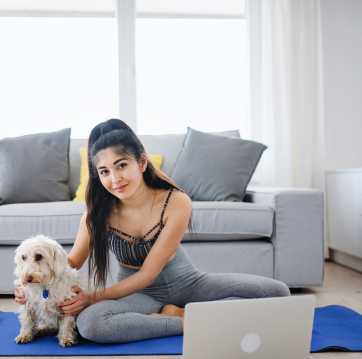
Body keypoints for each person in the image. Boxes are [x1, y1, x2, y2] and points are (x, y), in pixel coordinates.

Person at [15, 118, 290, 343]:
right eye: (104, 171)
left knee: (277, 293)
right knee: (90, 325)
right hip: (137, 295)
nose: (115, 179)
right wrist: (33, 280)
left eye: (122, 165)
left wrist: (92, 297)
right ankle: (180, 321)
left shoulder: (176, 201)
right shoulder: (96, 210)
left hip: (187, 283)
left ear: (142, 163)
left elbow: (148, 274)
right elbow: (70, 262)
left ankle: (176, 313)